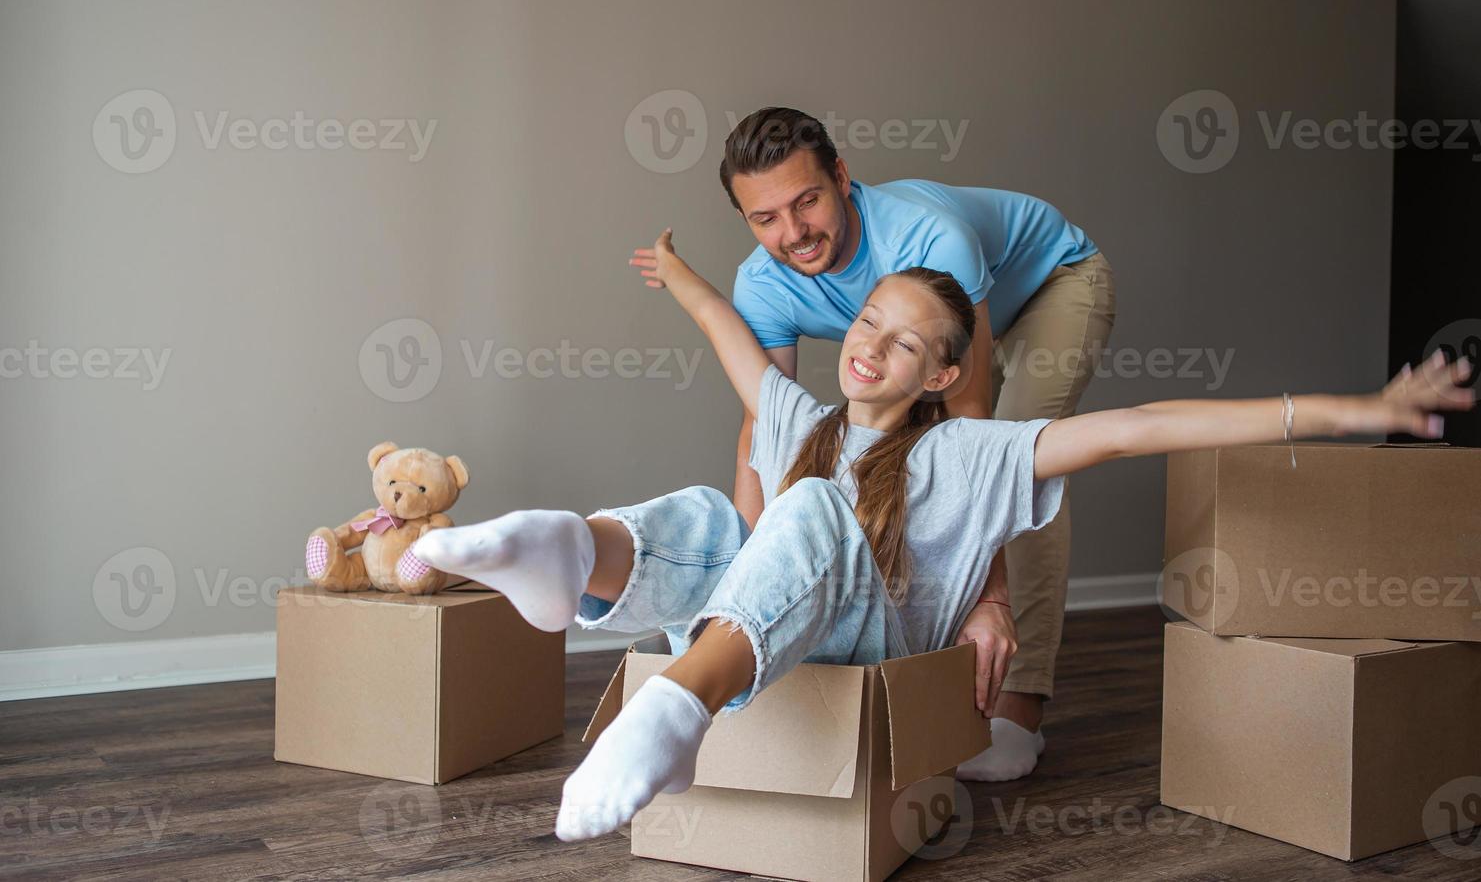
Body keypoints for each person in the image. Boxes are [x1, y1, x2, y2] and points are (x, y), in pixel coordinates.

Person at [403, 228, 1472, 843]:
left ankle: (679, 701)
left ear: (942, 374)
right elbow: (731, 338)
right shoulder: (797, 419)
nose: (872, 346)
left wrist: (1355, 409)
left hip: (872, 661)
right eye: (867, 321)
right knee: (714, 510)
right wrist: (680, 275)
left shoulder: (972, 455)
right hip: (768, 629)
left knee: (803, 507)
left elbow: (1141, 426)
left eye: (906, 342)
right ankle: (565, 551)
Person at [721, 106, 1113, 779]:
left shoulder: (930, 239)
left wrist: (990, 600)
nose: (792, 233)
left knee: (1018, 467)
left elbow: (970, 431)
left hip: (1053, 284)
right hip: (932, 326)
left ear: (841, 177)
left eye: (806, 200)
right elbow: (765, 429)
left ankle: (1016, 706)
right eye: (764, 218)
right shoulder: (761, 282)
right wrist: (742, 589)